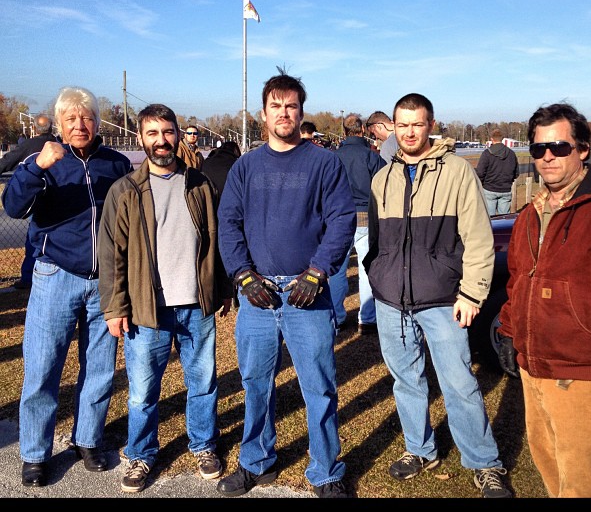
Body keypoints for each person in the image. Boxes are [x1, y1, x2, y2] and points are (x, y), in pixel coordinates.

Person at [216, 72, 356, 499]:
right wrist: (240, 273)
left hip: (305, 292)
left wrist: (318, 272)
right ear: (263, 113)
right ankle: (256, 461)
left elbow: (341, 220)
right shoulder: (246, 166)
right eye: (275, 106)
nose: (284, 113)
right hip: (257, 294)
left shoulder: (323, 163)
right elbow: (229, 223)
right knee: (256, 382)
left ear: (301, 112)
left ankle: (326, 472)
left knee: (318, 386)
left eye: (291, 106)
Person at [365, 93, 512, 499]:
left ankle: (484, 462)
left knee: (459, 382)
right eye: (402, 124)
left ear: (430, 125)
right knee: (406, 380)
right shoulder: (383, 178)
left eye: (417, 123)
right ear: (393, 127)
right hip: (391, 299)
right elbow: (378, 241)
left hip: (444, 298)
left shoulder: (456, 173)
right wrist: (376, 276)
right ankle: (420, 449)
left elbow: (480, 239)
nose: (409, 131)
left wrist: (471, 293)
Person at [98, 103, 233, 494]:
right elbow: (112, 257)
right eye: (152, 133)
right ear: (140, 138)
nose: (162, 141)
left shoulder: (200, 185)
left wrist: (223, 289)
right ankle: (141, 452)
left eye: (168, 132)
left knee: (203, 381)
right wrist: (115, 307)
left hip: (196, 306)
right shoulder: (125, 191)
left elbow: (216, 243)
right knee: (143, 390)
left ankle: (204, 445)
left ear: (178, 135)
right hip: (146, 308)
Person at [2, 86, 132, 488]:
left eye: (87, 117)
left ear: (97, 122)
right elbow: (13, 207)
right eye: (71, 119)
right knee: (43, 366)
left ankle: (88, 439)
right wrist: (35, 168)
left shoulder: (116, 163)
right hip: (55, 276)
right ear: (58, 124)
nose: (80, 124)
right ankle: (36, 453)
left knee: (99, 367)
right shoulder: (45, 159)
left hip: (104, 283)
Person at [497, 103, 591, 498]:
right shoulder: (531, 211)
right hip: (535, 365)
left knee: (581, 480)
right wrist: (509, 331)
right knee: (547, 462)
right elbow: (518, 279)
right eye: (539, 148)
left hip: (582, 370)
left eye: (559, 147)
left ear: (582, 150)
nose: (547, 156)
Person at [329, 113, 385, 334]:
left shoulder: (332, 157)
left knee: (336, 272)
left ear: (344, 132)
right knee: (366, 269)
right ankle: (367, 317)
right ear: (362, 131)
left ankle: (337, 317)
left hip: (338, 219)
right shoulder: (372, 158)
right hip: (366, 218)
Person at [0, 113, 57, 289]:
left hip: (35, 196)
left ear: (34, 129)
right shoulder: (59, 144)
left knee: (34, 236)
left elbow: (7, 161)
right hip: (57, 195)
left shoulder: (28, 145)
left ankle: (28, 277)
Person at [476, 128, 519, 216]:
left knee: (490, 219)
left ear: (492, 138)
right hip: (505, 190)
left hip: (489, 189)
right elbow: (516, 173)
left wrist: (482, 183)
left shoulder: (487, 153)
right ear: (502, 139)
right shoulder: (511, 154)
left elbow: (480, 172)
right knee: (504, 219)